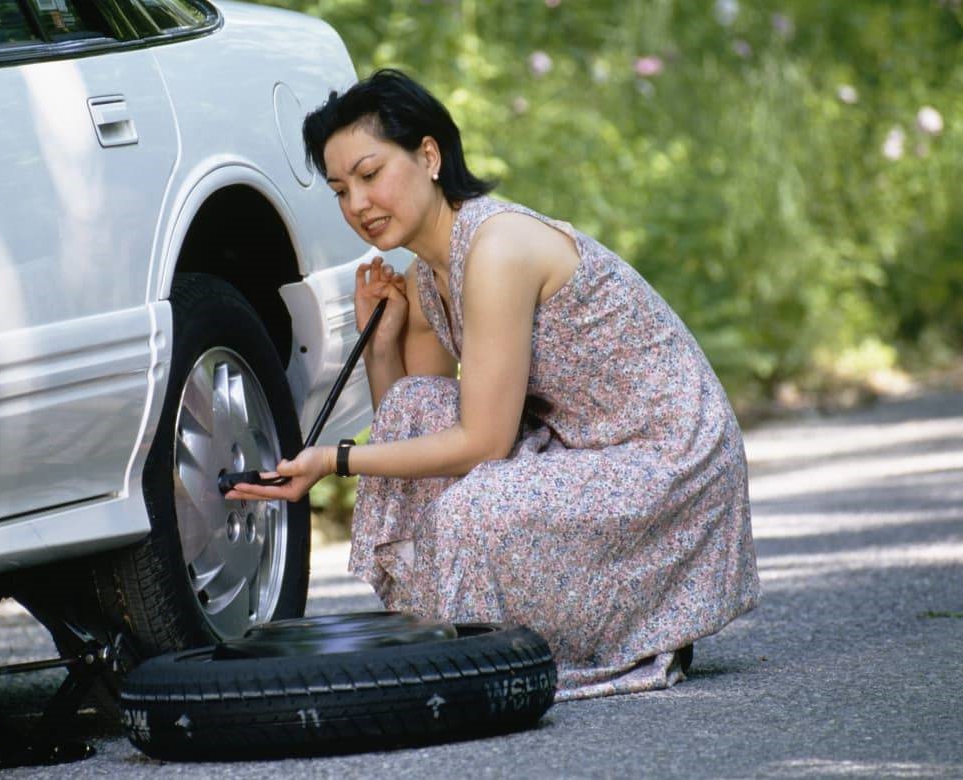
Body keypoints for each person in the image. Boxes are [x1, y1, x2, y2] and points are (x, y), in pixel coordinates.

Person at [226, 69, 760, 700]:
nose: (358, 205)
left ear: (429, 155)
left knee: (472, 515)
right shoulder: (427, 278)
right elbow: (416, 435)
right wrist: (381, 340)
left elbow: (480, 443)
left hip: (667, 459)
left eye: (371, 175)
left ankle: (611, 630)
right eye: (341, 190)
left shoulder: (498, 247)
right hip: (581, 450)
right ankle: (457, 632)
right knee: (429, 442)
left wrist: (333, 460)